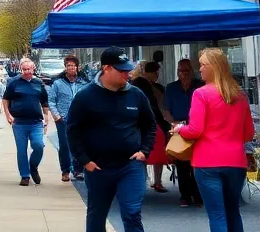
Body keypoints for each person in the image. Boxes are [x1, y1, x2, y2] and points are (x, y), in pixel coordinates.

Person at [66, 47, 157, 232]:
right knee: (97, 214)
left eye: (128, 70)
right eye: (121, 70)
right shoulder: (85, 96)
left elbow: (150, 125)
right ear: (106, 68)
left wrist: (145, 151)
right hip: (98, 167)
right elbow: (73, 130)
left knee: (132, 212)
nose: (127, 74)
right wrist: (84, 160)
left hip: (130, 165)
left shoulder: (136, 95)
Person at [175, 48, 254, 232]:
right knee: (233, 212)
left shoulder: (201, 94)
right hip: (236, 160)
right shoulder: (240, 95)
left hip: (207, 161)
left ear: (215, 67)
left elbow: (194, 130)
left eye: (203, 65)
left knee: (217, 215)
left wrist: (179, 129)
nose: (200, 69)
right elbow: (249, 133)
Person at [2, 57, 51, 186]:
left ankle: (33, 166)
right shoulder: (14, 83)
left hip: (36, 122)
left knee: (38, 145)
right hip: (19, 122)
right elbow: (5, 99)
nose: (27, 72)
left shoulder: (39, 83)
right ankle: (25, 175)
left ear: (33, 69)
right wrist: (7, 114)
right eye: (24, 69)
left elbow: (44, 102)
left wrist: (46, 117)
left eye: (29, 69)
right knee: (21, 150)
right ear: (21, 69)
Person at [164, 58, 202, 207]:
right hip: (178, 127)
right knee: (182, 163)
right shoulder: (171, 88)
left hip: (198, 127)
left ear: (192, 71)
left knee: (197, 163)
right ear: (177, 72)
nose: (184, 74)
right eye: (181, 71)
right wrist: (173, 123)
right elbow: (165, 110)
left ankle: (198, 195)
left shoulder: (200, 86)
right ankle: (185, 195)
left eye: (187, 70)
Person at [130, 61, 172, 193]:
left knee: (154, 151)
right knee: (148, 151)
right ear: (148, 72)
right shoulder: (140, 84)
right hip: (148, 122)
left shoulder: (154, 86)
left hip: (154, 121)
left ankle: (152, 181)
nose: (157, 75)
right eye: (155, 72)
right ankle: (152, 181)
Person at [48, 54, 87, 182]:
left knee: (79, 144)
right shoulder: (58, 83)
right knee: (64, 145)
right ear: (65, 67)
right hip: (63, 119)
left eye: (73, 65)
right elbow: (51, 101)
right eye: (68, 65)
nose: (71, 68)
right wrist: (57, 116)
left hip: (80, 119)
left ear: (77, 67)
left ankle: (78, 170)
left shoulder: (84, 83)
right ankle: (65, 170)